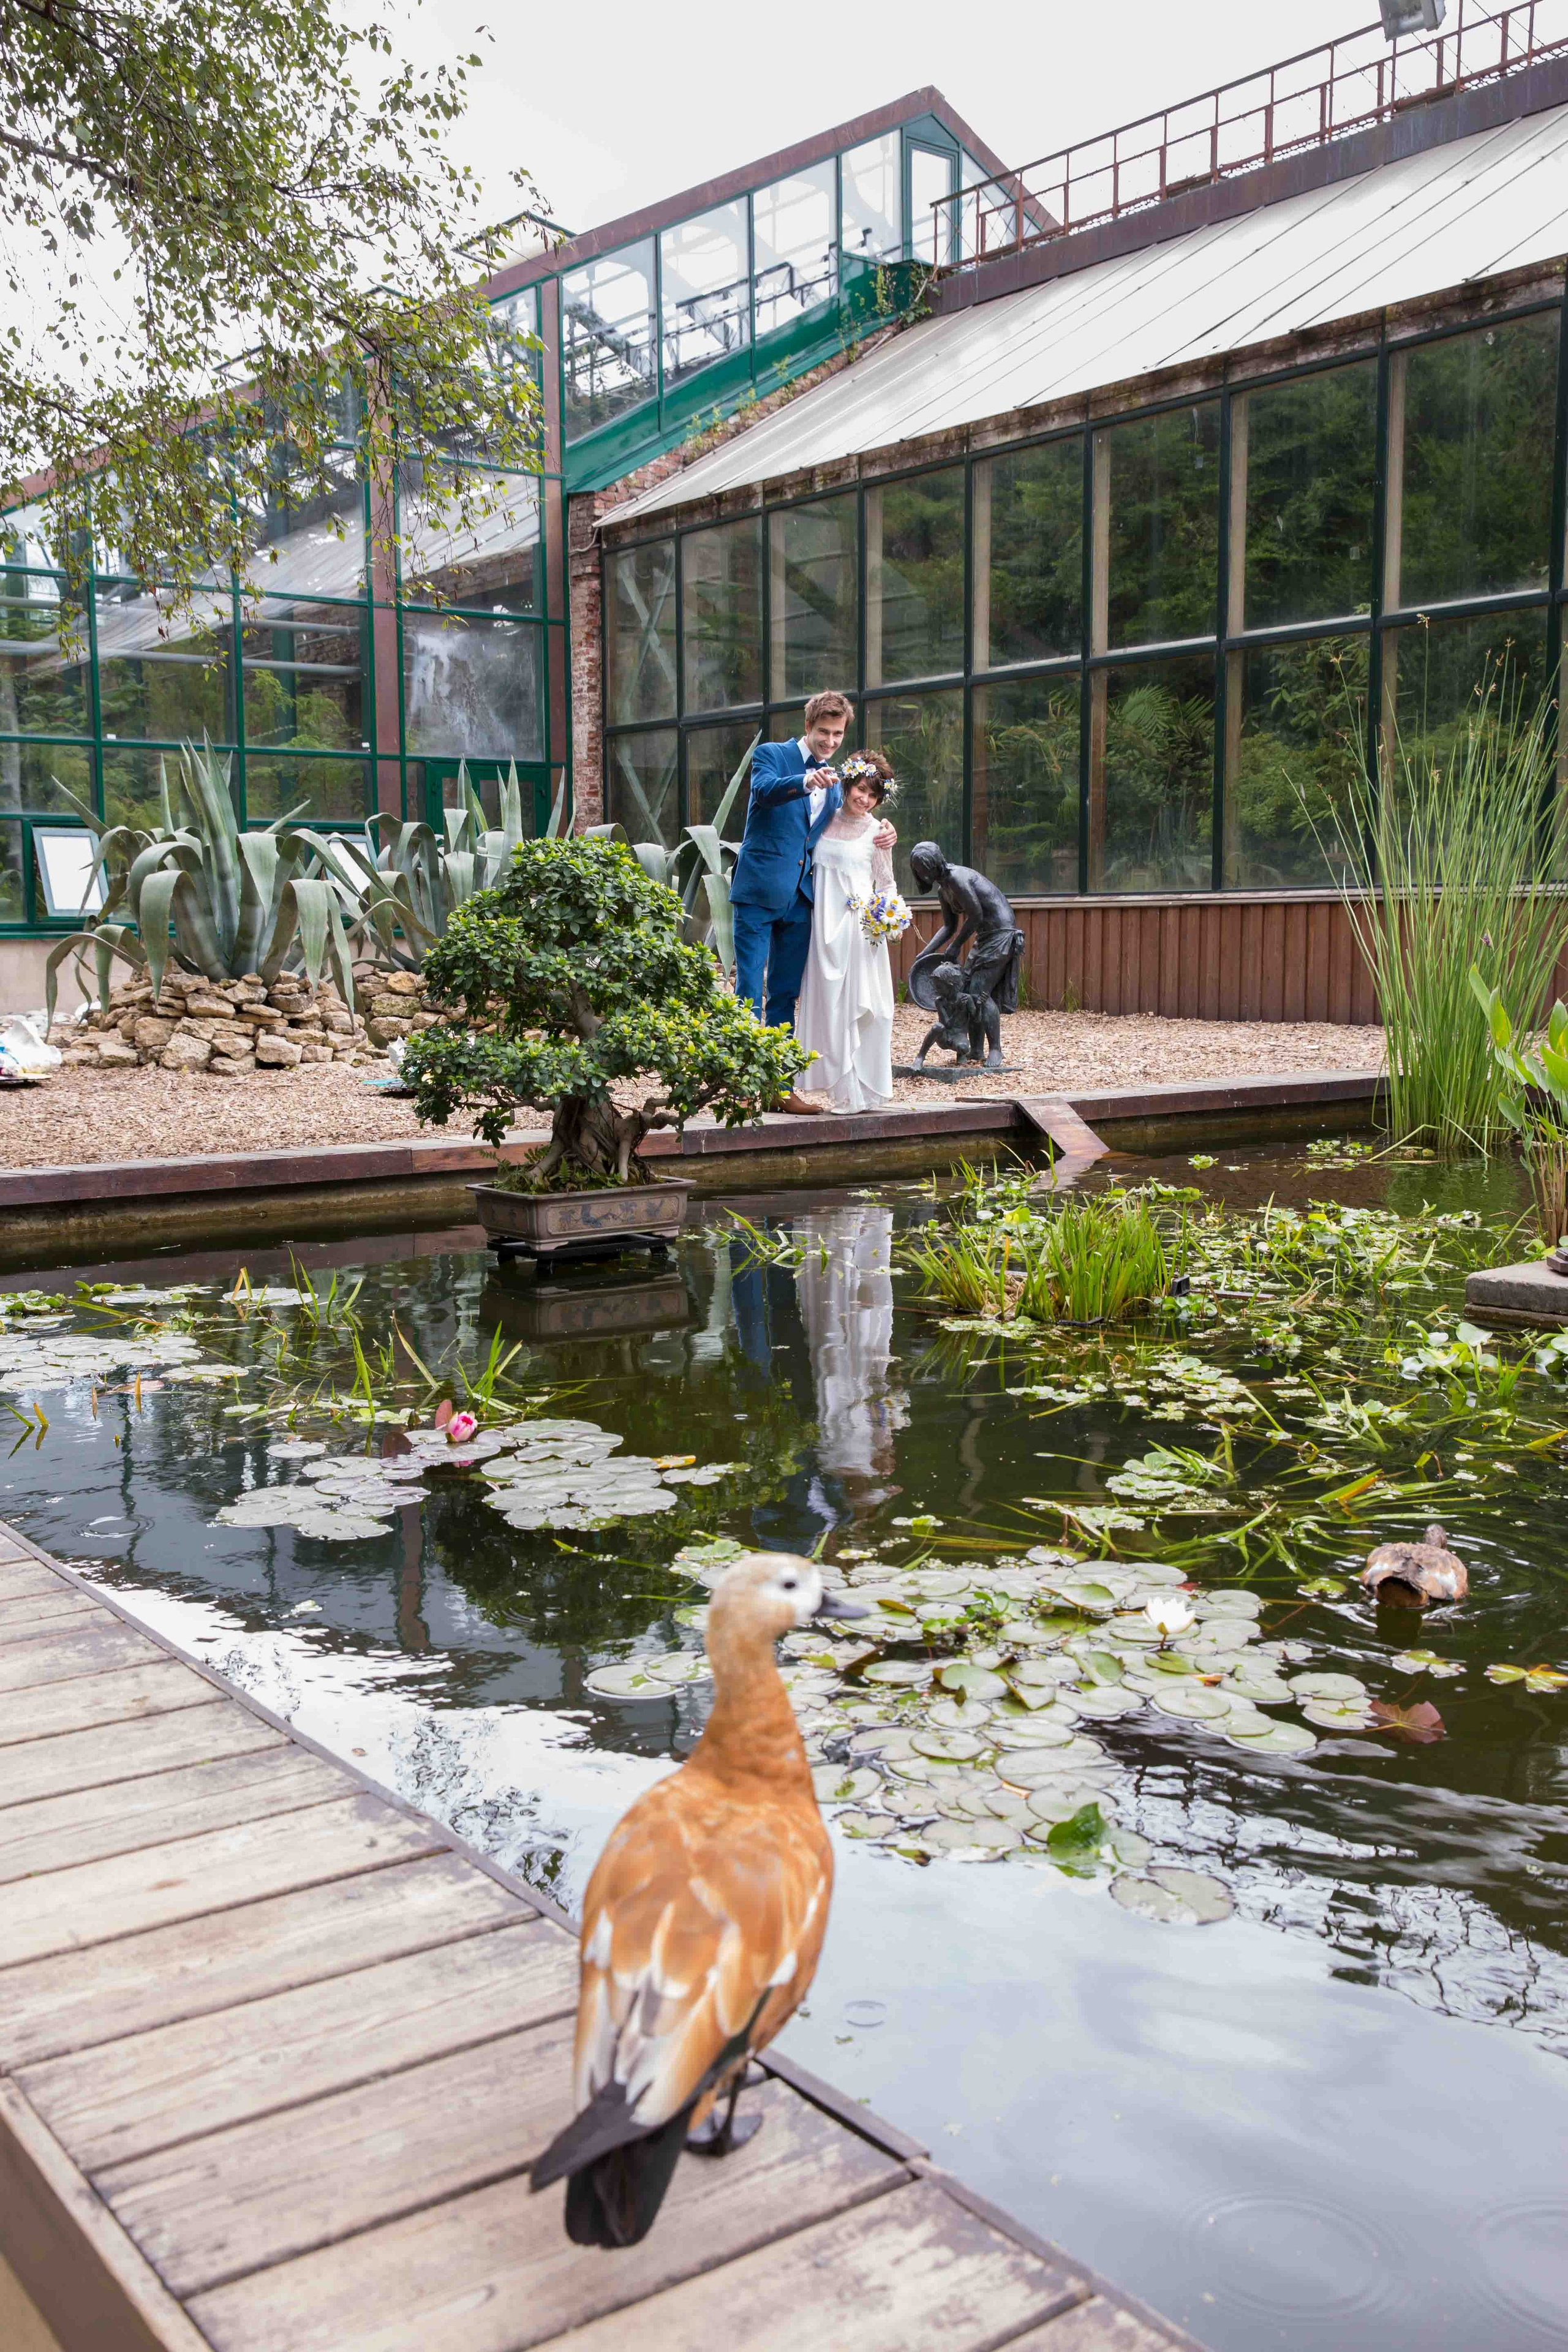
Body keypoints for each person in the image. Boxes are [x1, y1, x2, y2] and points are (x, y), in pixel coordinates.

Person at [730, 692, 891, 1113]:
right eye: (824, 732)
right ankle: (744, 1086)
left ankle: (778, 1087)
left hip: (803, 902)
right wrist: (803, 781)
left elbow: (851, 822)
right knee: (749, 989)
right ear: (808, 727)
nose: (830, 741)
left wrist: (885, 833)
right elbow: (764, 792)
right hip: (759, 893)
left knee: (785, 993)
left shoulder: (838, 782)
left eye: (838, 734)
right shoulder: (772, 755)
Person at [794, 750, 899, 1114]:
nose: (864, 799)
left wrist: (890, 917)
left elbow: (886, 885)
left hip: (861, 932)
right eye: (860, 790)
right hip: (822, 931)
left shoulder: (878, 833)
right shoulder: (821, 820)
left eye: (873, 795)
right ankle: (842, 1091)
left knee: (868, 1007)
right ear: (849, 785)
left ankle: (865, 1088)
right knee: (831, 1007)